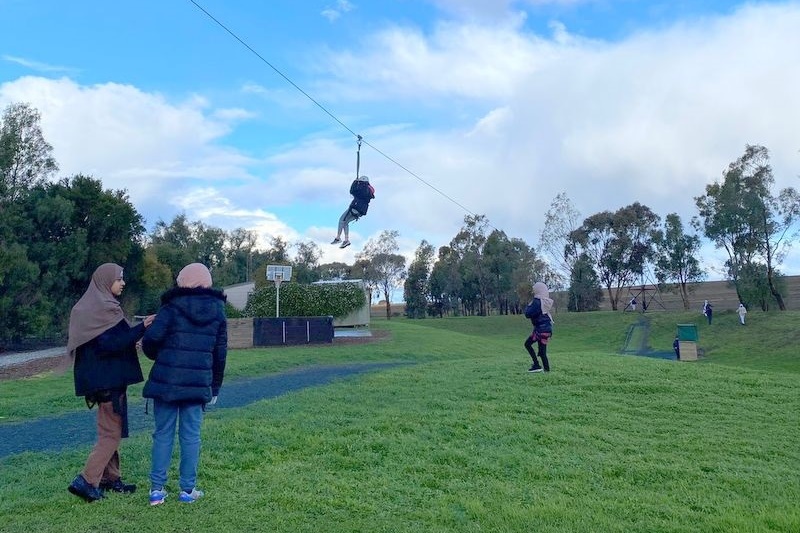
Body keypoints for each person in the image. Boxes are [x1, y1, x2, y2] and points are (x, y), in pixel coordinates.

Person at [67, 263, 155, 502]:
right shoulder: (103, 310)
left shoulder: (90, 308)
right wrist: (142, 328)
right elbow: (110, 345)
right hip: (107, 383)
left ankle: (110, 478)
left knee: (111, 429)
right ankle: (86, 480)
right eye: (119, 279)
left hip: (104, 382)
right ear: (106, 281)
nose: (123, 283)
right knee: (111, 434)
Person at [142, 263, 227, 506]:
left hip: (166, 383)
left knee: (163, 434)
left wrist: (158, 356)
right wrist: (216, 387)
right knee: (191, 436)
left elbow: (152, 340)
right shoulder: (218, 310)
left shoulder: (171, 307)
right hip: (199, 383)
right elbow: (220, 353)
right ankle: (187, 490)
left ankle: (157, 490)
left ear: (182, 281)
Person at [331, 175, 375, 249]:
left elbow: (352, 190)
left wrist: (355, 182)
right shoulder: (369, 191)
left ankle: (338, 238)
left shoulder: (362, 188)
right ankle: (346, 240)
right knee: (345, 222)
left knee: (341, 220)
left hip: (355, 206)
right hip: (361, 211)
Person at [523, 281, 554, 373]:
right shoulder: (545, 301)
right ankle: (546, 370)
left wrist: (529, 305)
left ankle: (536, 365)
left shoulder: (537, 302)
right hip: (547, 329)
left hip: (540, 330)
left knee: (527, 344)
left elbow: (528, 314)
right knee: (542, 351)